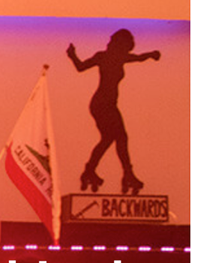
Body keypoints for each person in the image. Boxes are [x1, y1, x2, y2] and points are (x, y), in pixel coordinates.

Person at [66, 29, 159, 194]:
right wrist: (72, 55)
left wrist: (151, 54)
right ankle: (126, 174)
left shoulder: (116, 57)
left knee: (109, 139)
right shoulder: (107, 56)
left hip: (107, 105)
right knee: (120, 137)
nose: (108, 43)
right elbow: (81, 67)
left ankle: (91, 171)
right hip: (102, 105)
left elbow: (138, 57)